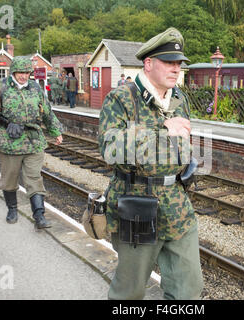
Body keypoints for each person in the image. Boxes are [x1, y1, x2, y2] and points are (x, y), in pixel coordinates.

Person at [99, 27, 203, 300]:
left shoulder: (179, 98)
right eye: (169, 62)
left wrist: (187, 163)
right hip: (137, 207)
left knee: (188, 290)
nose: (176, 69)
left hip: (178, 206)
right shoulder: (121, 99)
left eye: (179, 64)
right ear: (148, 64)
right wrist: (162, 132)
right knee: (129, 293)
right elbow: (110, 149)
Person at [0, 56, 64, 229]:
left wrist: (56, 131)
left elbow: (47, 112)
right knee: (9, 179)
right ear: (13, 72)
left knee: (34, 179)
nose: (23, 76)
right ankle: (12, 209)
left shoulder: (36, 88)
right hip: (9, 142)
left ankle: (39, 216)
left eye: (26, 72)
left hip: (33, 141)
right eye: (20, 72)